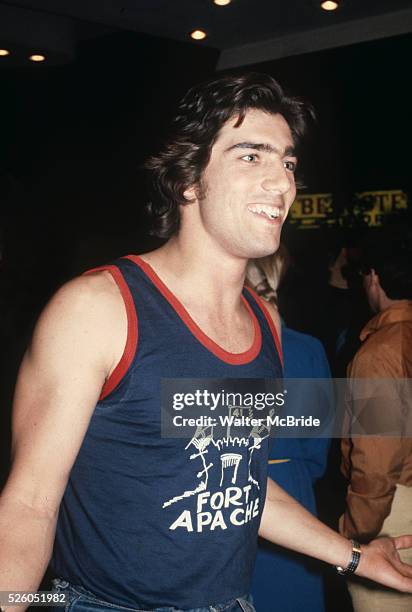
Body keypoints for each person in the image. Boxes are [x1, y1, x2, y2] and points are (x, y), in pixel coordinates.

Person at [1, 73, 412, 612]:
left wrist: (354, 556)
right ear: (187, 181)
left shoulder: (264, 322)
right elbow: (30, 505)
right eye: (251, 157)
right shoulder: (99, 309)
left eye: (287, 162)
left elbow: (241, 485)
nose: (282, 183)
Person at [247, 248, 331, 612]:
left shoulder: (215, 351)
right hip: (295, 487)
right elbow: (318, 451)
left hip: (236, 487)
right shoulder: (309, 349)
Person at [340, 243, 412, 611]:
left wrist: (356, 537)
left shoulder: (380, 353)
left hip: (395, 514)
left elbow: (376, 463)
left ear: (375, 279)